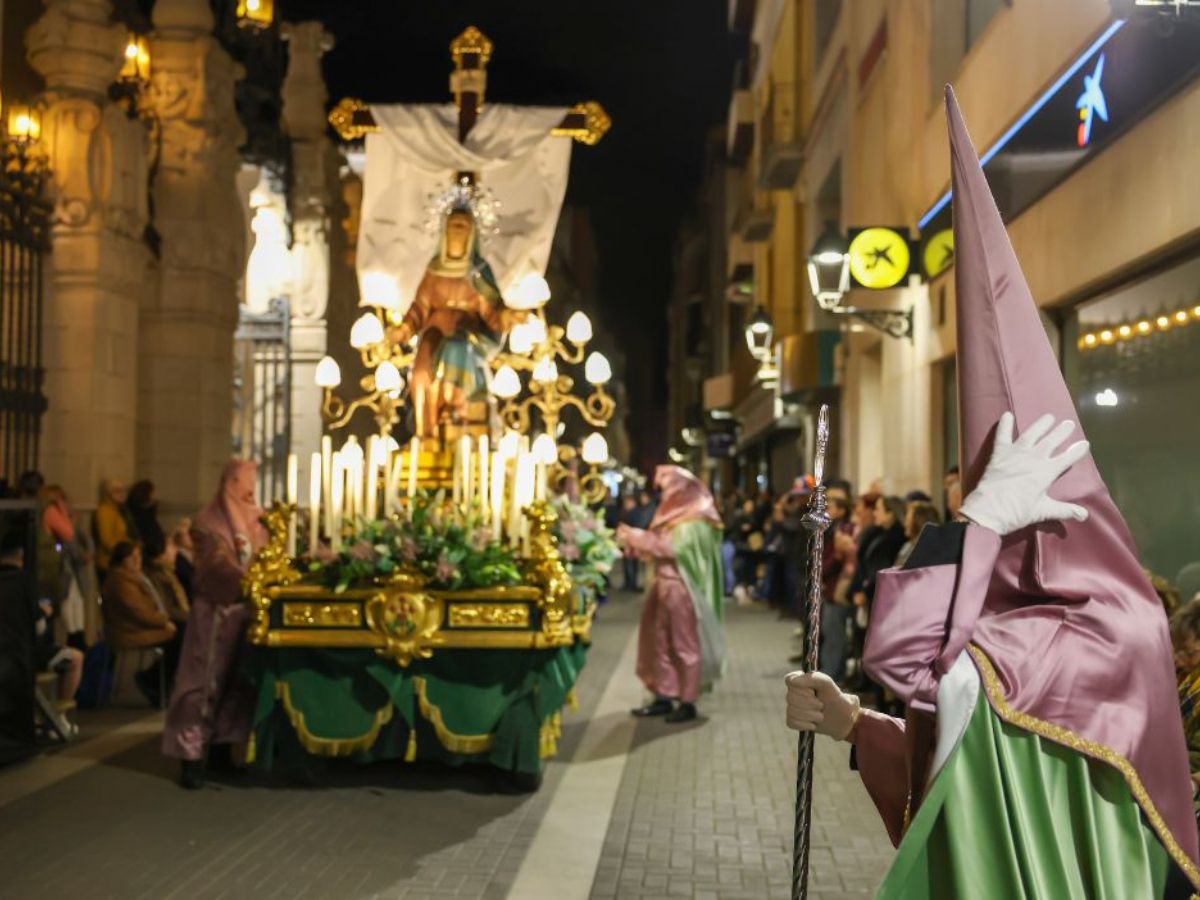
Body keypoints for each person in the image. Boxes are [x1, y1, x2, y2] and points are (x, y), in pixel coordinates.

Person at [786, 89, 1199, 897]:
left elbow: (926, 672)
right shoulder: (1015, 624)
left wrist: (973, 528)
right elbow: (963, 763)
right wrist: (852, 723)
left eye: (989, 493)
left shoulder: (1111, 627)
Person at [163, 459, 268, 789]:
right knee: (202, 685)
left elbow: (270, 553)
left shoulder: (257, 517)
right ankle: (190, 757)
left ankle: (223, 751)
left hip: (244, 612)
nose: (250, 491)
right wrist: (251, 578)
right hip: (215, 614)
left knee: (237, 683)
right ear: (232, 482)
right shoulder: (209, 521)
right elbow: (214, 565)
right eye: (245, 484)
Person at [618, 466, 725, 724]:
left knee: (683, 643)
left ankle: (687, 700)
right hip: (663, 585)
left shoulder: (696, 518)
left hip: (681, 587)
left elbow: (674, 549)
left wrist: (637, 538)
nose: (664, 493)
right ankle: (664, 695)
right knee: (659, 641)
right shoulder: (675, 516)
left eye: (667, 488)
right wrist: (637, 543)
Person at [101, 541, 179, 706]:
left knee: (183, 632)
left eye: (139, 556)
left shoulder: (135, 577)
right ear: (121, 560)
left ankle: (157, 680)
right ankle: (152, 680)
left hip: (140, 627)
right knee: (179, 637)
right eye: (132, 557)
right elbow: (139, 612)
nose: (137, 561)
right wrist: (164, 622)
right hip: (128, 631)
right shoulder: (120, 580)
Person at [39, 485, 92, 648]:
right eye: (57, 499)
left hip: (70, 569)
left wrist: (88, 552)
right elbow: (67, 535)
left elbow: (84, 538)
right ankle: (75, 642)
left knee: (77, 605)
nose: (62, 502)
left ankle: (78, 640)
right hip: (57, 570)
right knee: (65, 606)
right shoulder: (51, 512)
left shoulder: (67, 516)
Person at [144, 535, 190, 629]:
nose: (175, 550)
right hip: (175, 624)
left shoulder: (166, 571)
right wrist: (190, 617)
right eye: (171, 547)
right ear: (161, 554)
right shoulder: (156, 575)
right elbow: (167, 608)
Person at [93, 479, 134, 582]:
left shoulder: (116, 510)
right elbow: (106, 539)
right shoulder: (104, 511)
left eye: (123, 490)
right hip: (108, 561)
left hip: (118, 560)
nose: (122, 494)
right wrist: (124, 551)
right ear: (108, 493)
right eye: (117, 491)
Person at [895, 500, 941, 568]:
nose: (905, 524)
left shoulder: (930, 549)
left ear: (919, 521)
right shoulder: (907, 545)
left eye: (908, 519)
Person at [126, 480, 165, 558]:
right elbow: (147, 528)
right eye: (152, 492)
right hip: (146, 545)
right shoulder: (138, 510)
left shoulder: (148, 508)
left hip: (151, 543)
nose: (154, 496)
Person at [617, 494, 643, 592]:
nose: (626, 504)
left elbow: (636, 525)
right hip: (625, 541)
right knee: (627, 562)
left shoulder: (635, 513)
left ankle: (632, 583)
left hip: (632, 541)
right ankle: (628, 583)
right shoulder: (625, 512)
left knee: (632, 563)